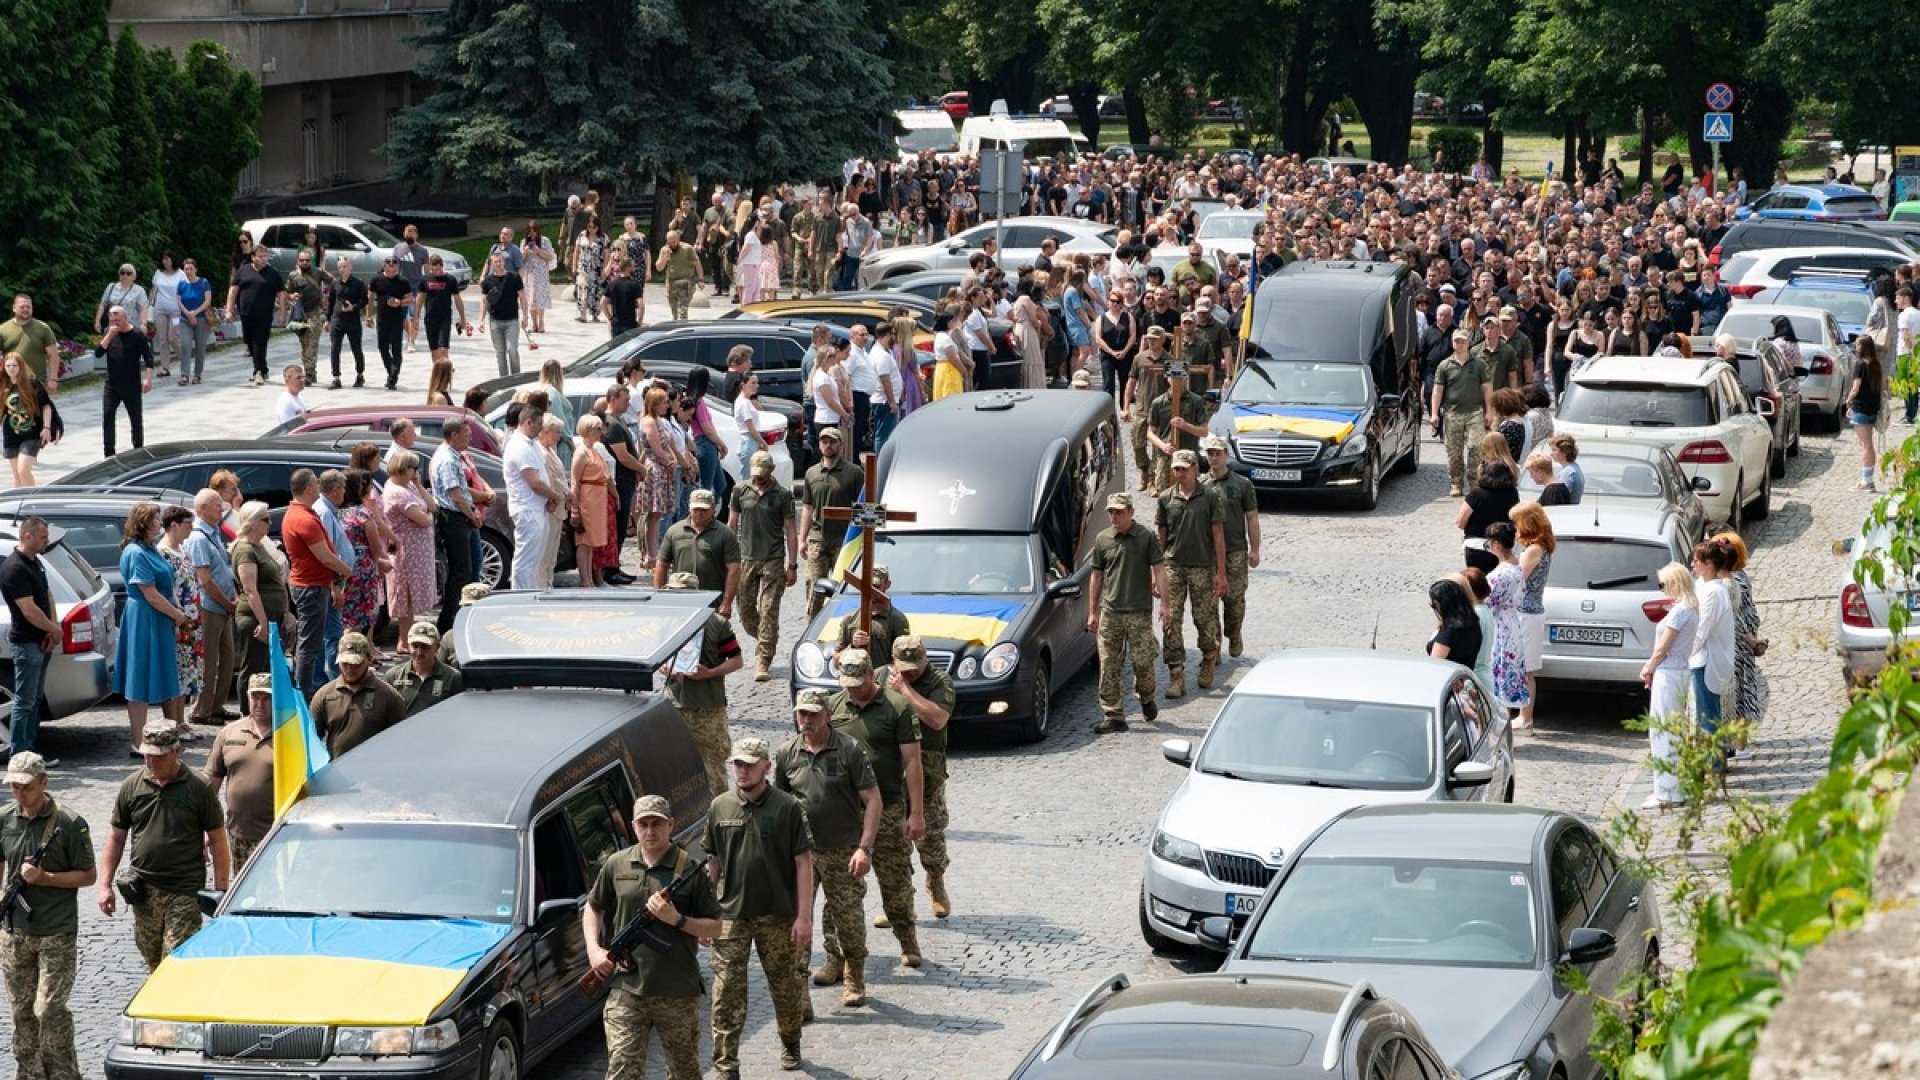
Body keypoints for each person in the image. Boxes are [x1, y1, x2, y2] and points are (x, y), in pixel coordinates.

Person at [584, 794, 722, 1080]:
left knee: (684, 1072)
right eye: (643, 824)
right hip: (627, 989)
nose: (650, 831)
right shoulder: (616, 864)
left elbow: (716, 927)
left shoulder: (689, 870)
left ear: (670, 825)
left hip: (677, 990)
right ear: (633, 827)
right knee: (622, 1070)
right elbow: (593, 907)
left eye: (657, 824)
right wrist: (595, 951)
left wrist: (677, 919)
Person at [705, 737, 813, 1077]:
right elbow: (713, 863)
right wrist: (706, 915)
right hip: (731, 915)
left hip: (778, 915)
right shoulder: (720, 806)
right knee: (725, 993)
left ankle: (791, 1041)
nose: (743, 770)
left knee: (785, 986)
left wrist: (804, 917)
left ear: (767, 766)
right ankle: (726, 1065)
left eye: (750, 764)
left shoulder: (787, 807)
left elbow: (803, 863)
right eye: (738, 764)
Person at [775, 688, 881, 1010]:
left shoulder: (849, 750)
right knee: (797, 922)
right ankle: (801, 992)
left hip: (842, 851)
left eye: (812, 714)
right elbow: (778, 805)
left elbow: (873, 800)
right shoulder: (787, 754)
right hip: (801, 854)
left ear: (827, 716)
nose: (805, 720)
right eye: (801, 714)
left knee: (848, 920)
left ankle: (854, 977)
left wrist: (864, 848)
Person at [97, 728, 228, 973]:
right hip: (143, 890)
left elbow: (218, 840)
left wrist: (221, 892)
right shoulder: (132, 786)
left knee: (174, 962)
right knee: (153, 961)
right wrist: (105, 885)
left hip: (184, 890)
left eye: (159, 756)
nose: (151, 762)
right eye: (147, 755)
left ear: (177, 751)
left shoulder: (199, 788)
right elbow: (116, 836)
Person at [0, 752, 96, 1080]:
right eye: (13, 786)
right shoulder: (5, 819)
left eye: (25, 786)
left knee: (49, 1010)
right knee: (22, 1013)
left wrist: (46, 879)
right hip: (14, 932)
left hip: (56, 929)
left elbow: (88, 875)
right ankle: (29, 1075)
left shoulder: (68, 823)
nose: (18, 792)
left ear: (43, 782)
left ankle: (64, 1075)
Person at [827, 650, 926, 966]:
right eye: (848, 683)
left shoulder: (896, 708)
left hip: (888, 808)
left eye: (858, 683)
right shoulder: (834, 707)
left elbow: (912, 761)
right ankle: (836, 957)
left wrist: (916, 813)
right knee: (839, 890)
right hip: (843, 813)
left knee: (895, 881)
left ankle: (908, 941)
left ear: (872, 675)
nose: (853, 690)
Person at [113, 505, 192, 754]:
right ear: (144, 523)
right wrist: (177, 614)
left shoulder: (150, 549)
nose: (160, 522)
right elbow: (150, 594)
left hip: (159, 618)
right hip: (144, 618)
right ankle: (139, 742)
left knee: (163, 674)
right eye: (156, 518)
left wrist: (176, 610)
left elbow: (166, 584)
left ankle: (165, 738)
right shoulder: (136, 552)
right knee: (140, 678)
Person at [887, 635, 956, 919]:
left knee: (930, 835)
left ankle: (936, 882)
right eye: (903, 667)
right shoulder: (883, 677)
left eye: (914, 666)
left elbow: (937, 719)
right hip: (891, 771)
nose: (909, 672)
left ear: (925, 658)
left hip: (927, 770)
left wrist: (905, 691)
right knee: (892, 842)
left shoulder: (940, 682)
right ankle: (900, 904)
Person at [1087, 491, 1167, 734]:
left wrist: (1166, 605)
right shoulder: (1102, 540)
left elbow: (1160, 570)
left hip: (1138, 612)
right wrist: (1093, 612)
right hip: (1110, 612)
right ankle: (1113, 714)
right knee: (1109, 663)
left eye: (1119, 511)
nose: (1114, 516)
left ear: (1131, 512)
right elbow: (1096, 576)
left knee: (1143, 662)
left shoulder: (1145, 538)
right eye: (1111, 511)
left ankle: (1146, 697)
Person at [660, 571, 742, 796]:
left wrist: (711, 673)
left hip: (708, 708)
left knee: (714, 771)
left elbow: (737, 660)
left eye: (683, 594)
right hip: (675, 704)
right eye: (673, 593)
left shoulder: (717, 625)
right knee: (675, 768)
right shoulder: (667, 623)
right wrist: (665, 667)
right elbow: (657, 657)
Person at [1158, 450, 1225, 699]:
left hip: (1202, 566)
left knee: (1203, 618)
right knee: (1170, 620)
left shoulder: (1209, 496)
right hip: (1173, 566)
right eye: (1176, 469)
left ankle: (1208, 656)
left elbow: (1218, 535)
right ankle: (1176, 674)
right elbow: (1161, 536)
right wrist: (1156, 574)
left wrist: (1221, 573)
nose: (1180, 473)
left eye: (1184, 469)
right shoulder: (1166, 498)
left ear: (1195, 468)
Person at [729, 450, 798, 680]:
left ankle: (763, 660)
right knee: (746, 612)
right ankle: (765, 637)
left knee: (769, 610)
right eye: (755, 473)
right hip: (747, 558)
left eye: (763, 473)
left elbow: (790, 530)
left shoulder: (782, 495)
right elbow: (732, 524)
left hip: (773, 558)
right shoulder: (740, 490)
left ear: (771, 470)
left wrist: (792, 564)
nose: (758, 478)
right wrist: (728, 559)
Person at [282, 470, 350, 697]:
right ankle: (304, 691)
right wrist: (346, 570)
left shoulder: (302, 513)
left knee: (311, 641)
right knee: (309, 645)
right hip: (310, 586)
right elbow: (324, 556)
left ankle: (305, 686)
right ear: (309, 488)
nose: (319, 486)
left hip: (313, 584)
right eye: (316, 483)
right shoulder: (303, 517)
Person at [1638, 563, 1698, 810]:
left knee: (1663, 731)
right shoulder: (1690, 608)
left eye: (1663, 584)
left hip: (1669, 672)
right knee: (1671, 730)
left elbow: (1663, 647)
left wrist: (1648, 667)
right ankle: (1669, 787)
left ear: (1674, 583)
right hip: (1679, 671)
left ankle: (1667, 791)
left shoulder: (1680, 612)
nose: (1662, 589)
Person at [1, 518, 61, 758]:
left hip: (41, 640)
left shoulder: (36, 561)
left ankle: (30, 750)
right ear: (27, 536)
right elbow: (28, 610)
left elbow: (47, 595)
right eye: (43, 537)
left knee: (34, 700)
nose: (47, 541)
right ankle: (20, 754)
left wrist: (52, 628)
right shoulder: (14, 568)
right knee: (24, 702)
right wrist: (53, 630)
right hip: (26, 643)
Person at [203, 674, 275, 868]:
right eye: (255, 697)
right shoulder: (229, 733)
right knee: (245, 895)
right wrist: (206, 829)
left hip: (278, 836)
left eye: (266, 698)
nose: (260, 703)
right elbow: (211, 784)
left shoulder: (291, 734)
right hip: (239, 834)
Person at [1200, 436, 1259, 658]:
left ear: (1227, 455)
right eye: (1210, 453)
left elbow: (1252, 517)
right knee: (1209, 600)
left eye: (1218, 453)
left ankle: (1234, 632)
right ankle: (1212, 647)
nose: (1214, 458)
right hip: (1208, 552)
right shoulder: (1201, 485)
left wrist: (1255, 549)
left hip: (1235, 549)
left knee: (1234, 599)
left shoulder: (1242, 485)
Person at [184, 490, 238, 727]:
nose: (221, 509)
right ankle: (201, 710)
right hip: (210, 607)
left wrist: (232, 598)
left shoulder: (213, 533)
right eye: (217, 505)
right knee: (209, 662)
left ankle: (216, 705)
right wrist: (228, 603)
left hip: (224, 606)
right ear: (203, 508)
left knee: (227, 659)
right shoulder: (198, 538)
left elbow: (223, 570)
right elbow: (204, 579)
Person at [797, 427, 861, 618]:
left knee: (845, 588)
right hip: (818, 540)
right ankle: (813, 628)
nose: (828, 445)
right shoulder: (811, 473)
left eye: (832, 442)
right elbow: (807, 508)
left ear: (840, 445)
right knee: (814, 587)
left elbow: (863, 508)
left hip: (844, 542)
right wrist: (802, 539)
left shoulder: (854, 473)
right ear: (819, 445)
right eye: (824, 442)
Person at [309, 631, 405, 757]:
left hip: (375, 770)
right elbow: (311, 740)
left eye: (356, 664)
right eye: (345, 664)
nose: (350, 669)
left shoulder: (388, 696)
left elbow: (400, 740)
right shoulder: (323, 695)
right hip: (337, 770)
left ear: (369, 659)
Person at [429, 420, 484, 631]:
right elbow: (457, 496)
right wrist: (471, 515)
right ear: (453, 435)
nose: (469, 439)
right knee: (461, 571)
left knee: (468, 568)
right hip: (453, 518)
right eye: (466, 435)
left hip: (460, 517)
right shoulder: (448, 460)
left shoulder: (453, 455)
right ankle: (449, 620)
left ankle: (463, 614)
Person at [227, 501, 286, 697]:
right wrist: (262, 622)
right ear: (252, 522)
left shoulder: (258, 545)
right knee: (253, 667)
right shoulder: (245, 550)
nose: (270, 523)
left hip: (270, 617)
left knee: (266, 668)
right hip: (255, 619)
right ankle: (247, 711)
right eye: (265, 519)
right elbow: (250, 589)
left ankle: (264, 710)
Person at [655, 489, 742, 619]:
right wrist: (660, 597)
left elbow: (734, 569)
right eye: (696, 509)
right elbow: (662, 565)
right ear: (689, 508)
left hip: (712, 600)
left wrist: (726, 602)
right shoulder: (675, 531)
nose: (699, 514)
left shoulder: (724, 534)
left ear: (713, 509)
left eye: (704, 510)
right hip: (681, 599)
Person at [154, 507, 202, 740]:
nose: (190, 529)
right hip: (177, 619)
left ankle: (180, 720)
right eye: (187, 524)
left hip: (190, 620)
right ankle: (172, 721)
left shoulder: (182, 549)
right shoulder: (163, 552)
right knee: (176, 670)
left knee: (187, 671)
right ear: (174, 524)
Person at [1689, 538, 1738, 767]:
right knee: (1704, 715)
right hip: (1703, 659)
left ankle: (1713, 767)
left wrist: (1684, 652)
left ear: (1708, 564)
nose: (1693, 564)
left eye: (1697, 561)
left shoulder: (1713, 592)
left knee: (1708, 717)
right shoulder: (1704, 586)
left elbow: (1701, 628)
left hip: (1706, 660)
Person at [501, 402, 560, 591]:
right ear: (528, 422)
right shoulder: (519, 446)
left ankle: (532, 590)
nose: (541, 428)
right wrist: (554, 495)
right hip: (527, 509)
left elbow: (543, 473)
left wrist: (549, 497)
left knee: (536, 556)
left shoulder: (532, 444)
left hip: (537, 507)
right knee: (526, 557)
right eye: (538, 424)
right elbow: (534, 482)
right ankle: (521, 593)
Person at [1431, 329, 1494, 497]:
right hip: (1452, 413)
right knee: (1454, 452)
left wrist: (1489, 411)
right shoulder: (1444, 365)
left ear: (1468, 343)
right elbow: (1437, 390)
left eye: (1463, 341)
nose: (1459, 344)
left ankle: (1474, 481)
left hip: (1475, 412)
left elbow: (1487, 388)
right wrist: (1434, 413)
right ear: (1452, 343)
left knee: (1476, 447)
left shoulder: (1479, 364)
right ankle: (1456, 483)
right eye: (1456, 341)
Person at [93, 305, 153, 458]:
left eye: (117, 320)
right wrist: (109, 335)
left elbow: (149, 358)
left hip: (131, 384)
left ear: (125, 318)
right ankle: (109, 453)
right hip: (111, 384)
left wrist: (148, 379)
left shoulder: (137, 334)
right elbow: (98, 354)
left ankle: (138, 450)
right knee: (108, 416)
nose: (115, 323)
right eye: (112, 320)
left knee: (136, 419)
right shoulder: (109, 332)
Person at [1482, 523, 1530, 713]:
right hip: (1511, 622)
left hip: (1500, 625)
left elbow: (1488, 600)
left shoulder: (1501, 574)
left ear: (1495, 544)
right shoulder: (1516, 566)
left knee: (1498, 668)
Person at [1145, 364, 1208, 490]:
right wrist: (1163, 446)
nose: (1176, 381)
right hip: (1166, 456)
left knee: (1192, 495)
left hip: (1188, 455)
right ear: (1167, 379)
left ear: (1185, 378)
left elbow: (1204, 432)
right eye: (1173, 378)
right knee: (1164, 494)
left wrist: (1186, 426)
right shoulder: (1158, 403)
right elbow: (1150, 433)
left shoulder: (1196, 401)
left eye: (1180, 378)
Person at [381, 622, 463, 718]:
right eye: (415, 646)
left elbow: (459, 714)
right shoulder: (393, 676)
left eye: (425, 647)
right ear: (408, 645)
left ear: (437, 647)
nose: (419, 652)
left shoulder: (453, 677)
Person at [226, 247, 283, 385]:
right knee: (249, 341)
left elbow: (281, 294)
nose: (263, 259)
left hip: (264, 314)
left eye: (265, 256)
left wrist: (282, 313)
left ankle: (258, 371)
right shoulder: (243, 270)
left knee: (260, 342)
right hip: (246, 314)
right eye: (260, 256)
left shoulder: (273, 273)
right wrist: (229, 310)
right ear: (253, 257)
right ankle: (263, 369)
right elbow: (233, 290)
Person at [1457, 460, 1520, 574]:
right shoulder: (1512, 493)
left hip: (1477, 546)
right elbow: (1516, 518)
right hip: (1502, 545)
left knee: (1478, 583)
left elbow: (1460, 522)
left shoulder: (1476, 494)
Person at [1847, 337, 1887, 491]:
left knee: (1866, 446)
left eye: (1857, 344)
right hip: (1873, 408)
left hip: (1861, 407)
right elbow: (1883, 386)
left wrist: (1849, 399)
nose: (1856, 347)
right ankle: (1868, 479)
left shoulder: (1860, 364)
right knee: (1867, 445)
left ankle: (1867, 481)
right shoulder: (1877, 364)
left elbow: (1856, 387)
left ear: (1863, 347)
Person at [367, 257, 412, 390]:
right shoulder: (377, 279)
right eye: (389, 267)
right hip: (382, 319)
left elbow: (410, 299)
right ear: (384, 267)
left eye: (394, 267)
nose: (392, 270)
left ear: (397, 268)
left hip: (397, 319)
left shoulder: (403, 281)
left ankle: (393, 377)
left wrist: (400, 302)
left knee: (396, 349)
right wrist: (369, 316)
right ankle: (391, 372)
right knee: (382, 348)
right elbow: (370, 298)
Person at [417, 254, 470, 367]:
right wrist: (416, 316)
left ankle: (446, 372)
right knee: (434, 351)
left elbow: (457, 300)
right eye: (432, 269)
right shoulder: (425, 279)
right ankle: (438, 373)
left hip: (444, 318)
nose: (435, 271)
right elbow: (420, 298)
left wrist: (462, 318)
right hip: (430, 318)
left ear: (442, 266)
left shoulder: (450, 280)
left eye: (437, 269)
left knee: (443, 349)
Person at [0, 295, 59, 393]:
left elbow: (53, 355)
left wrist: (53, 379)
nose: (26, 309)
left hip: (37, 382)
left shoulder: (43, 328)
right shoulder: (2, 330)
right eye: (22, 307)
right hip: (12, 383)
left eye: (28, 307)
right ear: (14, 308)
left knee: (42, 408)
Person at [1425, 578, 1483, 670]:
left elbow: (1434, 665)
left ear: (1441, 604)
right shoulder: (1474, 622)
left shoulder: (1449, 632)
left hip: (1448, 680)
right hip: (1465, 677)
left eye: (1434, 605)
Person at [174, 260, 214, 385]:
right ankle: (185, 375)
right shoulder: (181, 284)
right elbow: (179, 302)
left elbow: (207, 300)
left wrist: (195, 312)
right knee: (185, 346)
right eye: (186, 269)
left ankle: (197, 375)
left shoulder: (204, 282)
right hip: (185, 319)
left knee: (200, 348)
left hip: (201, 319)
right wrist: (188, 314)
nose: (188, 271)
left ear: (196, 269)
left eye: (191, 268)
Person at [655, 229, 701, 322]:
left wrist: (701, 279)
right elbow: (659, 268)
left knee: (682, 310)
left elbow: (697, 264)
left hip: (685, 281)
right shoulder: (664, 250)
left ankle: (683, 325)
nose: (673, 244)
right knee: (674, 310)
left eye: (674, 242)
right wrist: (665, 257)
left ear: (678, 239)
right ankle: (676, 323)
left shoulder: (687, 249)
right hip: (671, 282)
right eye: (670, 242)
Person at [520, 220, 555, 335]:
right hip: (529, 273)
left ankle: (541, 322)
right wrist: (525, 252)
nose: (532, 233)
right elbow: (520, 260)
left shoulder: (545, 241)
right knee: (530, 298)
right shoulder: (524, 242)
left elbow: (550, 256)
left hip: (541, 273)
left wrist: (537, 250)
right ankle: (533, 323)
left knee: (540, 298)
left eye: (534, 231)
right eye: (530, 231)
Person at [1549, 433, 1584, 503]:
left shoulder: (1568, 473)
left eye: (1554, 450)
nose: (1551, 453)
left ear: (1565, 452)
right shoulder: (1574, 467)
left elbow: (1560, 499)